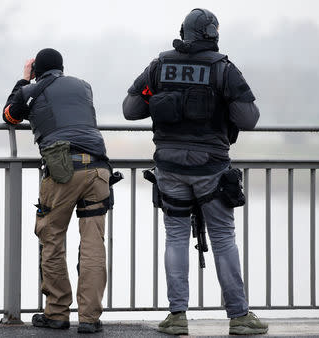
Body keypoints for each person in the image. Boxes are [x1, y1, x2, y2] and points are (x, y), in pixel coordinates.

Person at [123, 9, 268, 336]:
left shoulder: (159, 67)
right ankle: (239, 317)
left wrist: (154, 95)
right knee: (222, 238)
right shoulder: (223, 69)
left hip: (169, 167)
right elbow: (249, 119)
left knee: (175, 237)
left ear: (183, 32)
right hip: (211, 169)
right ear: (214, 35)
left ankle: (177, 317)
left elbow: (131, 109)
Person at [3, 48, 110, 334]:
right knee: (93, 245)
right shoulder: (83, 86)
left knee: (51, 236)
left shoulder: (32, 89)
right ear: (62, 67)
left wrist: (24, 81)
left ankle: (57, 312)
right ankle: (89, 318)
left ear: (37, 69)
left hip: (62, 171)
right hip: (99, 169)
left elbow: (10, 116)